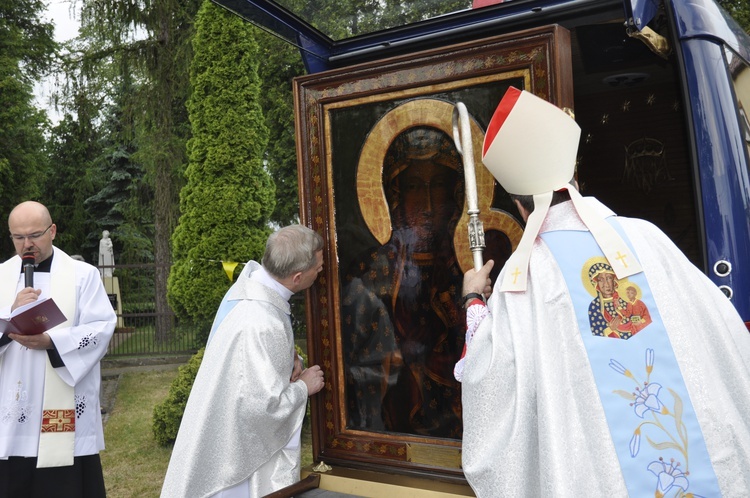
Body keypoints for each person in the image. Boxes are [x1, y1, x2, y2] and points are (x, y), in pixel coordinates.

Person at [457, 88, 750, 496]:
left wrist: (475, 301)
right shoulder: (649, 238)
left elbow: (489, 382)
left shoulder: (523, 278)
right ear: (576, 179)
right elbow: (727, 333)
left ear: (521, 207)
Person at [161, 224, 326, 498]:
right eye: (318, 267)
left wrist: (289, 357)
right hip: (234, 462)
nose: (321, 270)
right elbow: (261, 409)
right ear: (297, 277)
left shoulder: (253, 287)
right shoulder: (259, 322)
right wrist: (303, 387)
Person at [0, 201, 117, 497]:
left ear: (52, 231)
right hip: (11, 415)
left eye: (35, 235)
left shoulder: (82, 275)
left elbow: (101, 328)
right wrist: (9, 315)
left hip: (62, 412)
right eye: (18, 237)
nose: (27, 245)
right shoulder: (1, 276)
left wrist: (53, 342)